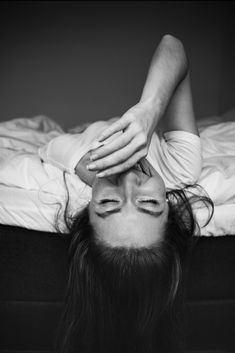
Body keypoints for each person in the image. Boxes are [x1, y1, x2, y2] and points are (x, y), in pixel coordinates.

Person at [0, 35, 213, 352]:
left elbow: (51, 146)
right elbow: (174, 46)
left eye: (110, 202)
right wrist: (150, 109)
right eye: (149, 203)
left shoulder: (69, 179)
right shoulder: (179, 170)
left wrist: (84, 166)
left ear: (87, 208)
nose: (128, 184)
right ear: (169, 204)